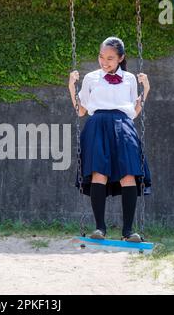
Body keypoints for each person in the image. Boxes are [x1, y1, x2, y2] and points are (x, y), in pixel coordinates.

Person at [68, 36, 151, 242]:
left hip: (123, 125)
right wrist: (71, 87)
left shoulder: (130, 79)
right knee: (99, 174)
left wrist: (146, 91)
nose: (105, 62)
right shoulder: (90, 78)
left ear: (121, 58)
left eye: (110, 58)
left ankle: (128, 232)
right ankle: (100, 229)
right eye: (101, 57)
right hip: (97, 125)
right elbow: (81, 111)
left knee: (128, 175)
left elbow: (133, 112)